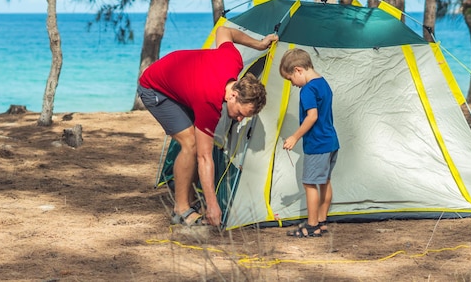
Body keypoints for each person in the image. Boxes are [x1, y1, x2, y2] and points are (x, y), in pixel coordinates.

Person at [137, 26, 278, 227]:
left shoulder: (234, 60)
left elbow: (223, 31)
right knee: (191, 144)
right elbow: (205, 157)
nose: (239, 119)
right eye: (239, 113)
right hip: (154, 88)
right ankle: (181, 209)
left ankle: (191, 196)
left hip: (179, 83)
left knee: (197, 143)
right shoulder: (209, 102)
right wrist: (213, 205)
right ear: (233, 95)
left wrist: (259, 44)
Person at [279, 48, 340, 238]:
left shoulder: (308, 90)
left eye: (290, 79)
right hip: (331, 142)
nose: (292, 84)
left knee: (309, 183)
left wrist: (294, 136)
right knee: (325, 182)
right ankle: (321, 221)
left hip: (317, 145)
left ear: (298, 70)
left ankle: (312, 225)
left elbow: (312, 116)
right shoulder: (323, 83)